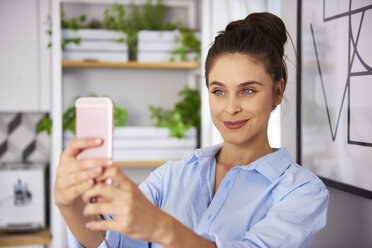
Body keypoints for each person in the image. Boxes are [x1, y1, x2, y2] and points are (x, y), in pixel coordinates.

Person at [54, 12, 329, 248]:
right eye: (218, 91)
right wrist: (68, 204)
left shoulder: (301, 192)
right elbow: (112, 241)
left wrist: (163, 228)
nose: (230, 108)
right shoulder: (170, 177)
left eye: (247, 90)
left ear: (277, 92)